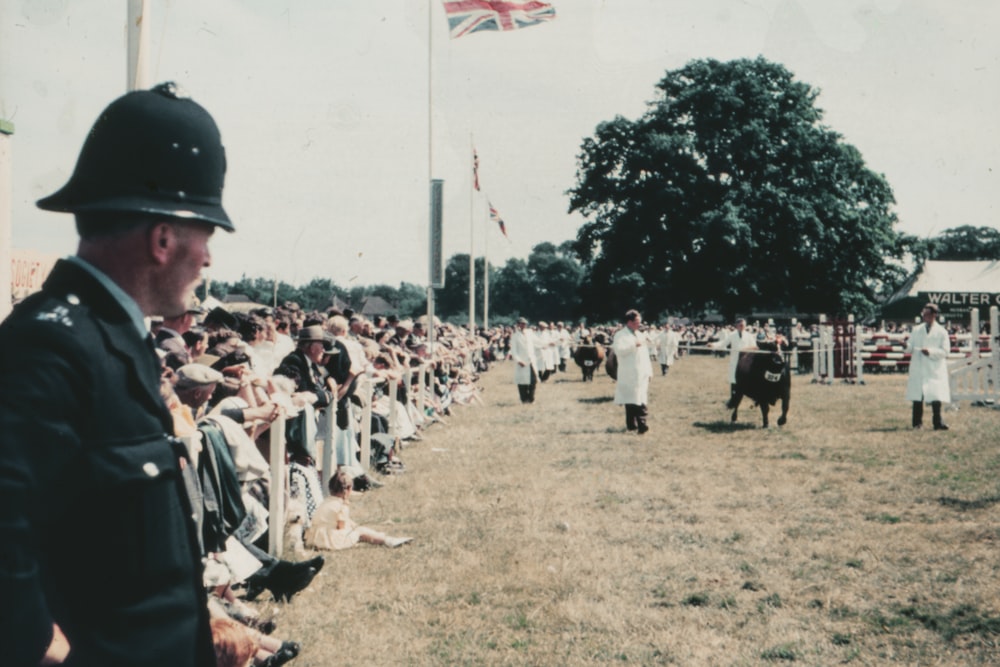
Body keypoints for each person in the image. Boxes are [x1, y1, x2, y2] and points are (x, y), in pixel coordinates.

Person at [0, 83, 230, 666]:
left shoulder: (111, 339)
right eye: (206, 235)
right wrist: (40, 649)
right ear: (162, 239)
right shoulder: (50, 345)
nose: (208, 258)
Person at [306, 468, 413, 550]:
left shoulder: (326, 502)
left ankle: (380, 536)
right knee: (360, 531)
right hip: (329, 540)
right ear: (348, 490)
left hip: (314, 538)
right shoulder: (342, 506)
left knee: (357, 528)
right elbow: (341, 528)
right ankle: (387, 540)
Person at [905, 303, 951, 430]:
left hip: (934, 367)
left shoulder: (942, 332)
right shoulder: (916, 330)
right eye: (923, 314)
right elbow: (910, 347)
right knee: (917, 396)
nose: (925, 317)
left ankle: (938, 423)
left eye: (927, 314)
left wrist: (930, 352)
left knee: (936, 396)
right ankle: (917, 423)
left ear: (934, 315)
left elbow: (945, 351)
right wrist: (905, 346)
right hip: (919, 366)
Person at [612, 309, 653, 433]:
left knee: (638, 398)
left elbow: (645, 355)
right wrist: (633, 345)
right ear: (629, 322)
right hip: (629, 372)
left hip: (641, 372)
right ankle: (642, 425)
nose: (639, 324)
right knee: (633, 399)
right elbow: (619, 351)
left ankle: (632, 425)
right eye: (637, 321)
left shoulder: (640, 334)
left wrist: (649, 371)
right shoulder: (620, 335)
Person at [718, 317, 757, 408]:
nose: (742, 327)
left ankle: (754, 400)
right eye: (740, 325)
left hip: (746, 362)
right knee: (734, 381)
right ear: (736, 326)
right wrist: (712, 345)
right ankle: (733, 401)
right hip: (735, 361)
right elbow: (723, 343)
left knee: (748, 381)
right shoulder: (732, 335)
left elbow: (755, 347)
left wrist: (744, 349)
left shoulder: (749, 336)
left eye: (743, 325)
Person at [510, 317, 538, 403]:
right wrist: (519, 361)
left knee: (533, 381)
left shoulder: (530, 333)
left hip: (531, 361)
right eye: (521, 324)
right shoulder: (515, 336)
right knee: (522, 382)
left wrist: (550, 342)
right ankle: (524, 399)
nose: (523, 325)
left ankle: (531, 398)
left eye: (525, 324)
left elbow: (538, 341)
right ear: (518, 325)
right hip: (522, 362)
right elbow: (513, 351)